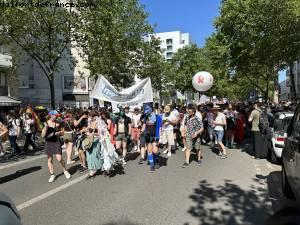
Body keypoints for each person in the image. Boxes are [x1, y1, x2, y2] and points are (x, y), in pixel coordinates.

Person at [42, 112, 71, 183]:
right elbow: (43, 135)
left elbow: (63, 132)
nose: (56, 117)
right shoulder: (46, 123)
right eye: (55, 116)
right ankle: (52, 174)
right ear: (51, 115)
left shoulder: (57, 123)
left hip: (56, 142)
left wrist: (59, 133)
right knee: (49, 159)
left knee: (59, 158)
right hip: (48, 142)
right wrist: (45, 128)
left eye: (57, 116)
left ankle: (65, 170)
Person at [85, 111, 103, 179]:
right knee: (89, 155)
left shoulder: (99, 122)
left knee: (96, 154)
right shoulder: (89, 122)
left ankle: (99, 166)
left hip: (96, 139)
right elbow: (88, 130)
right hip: (89, 139)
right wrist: (86, 130)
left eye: (91, 116)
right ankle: (91, 170)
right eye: (90, 116)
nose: (90, 118)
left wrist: (93, 134)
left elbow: (100, 133)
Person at [144, 105, 159, 172]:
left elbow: (159, 127)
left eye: (147, 109)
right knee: (149, 150)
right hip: (148, 136)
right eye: (145, 109)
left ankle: (156, 160)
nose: (146, 111)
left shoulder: (156, 117)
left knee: (155, 151)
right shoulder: (145, 117)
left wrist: (158, 137)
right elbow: (144, 125)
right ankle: (152, 165)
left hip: (155, 135)